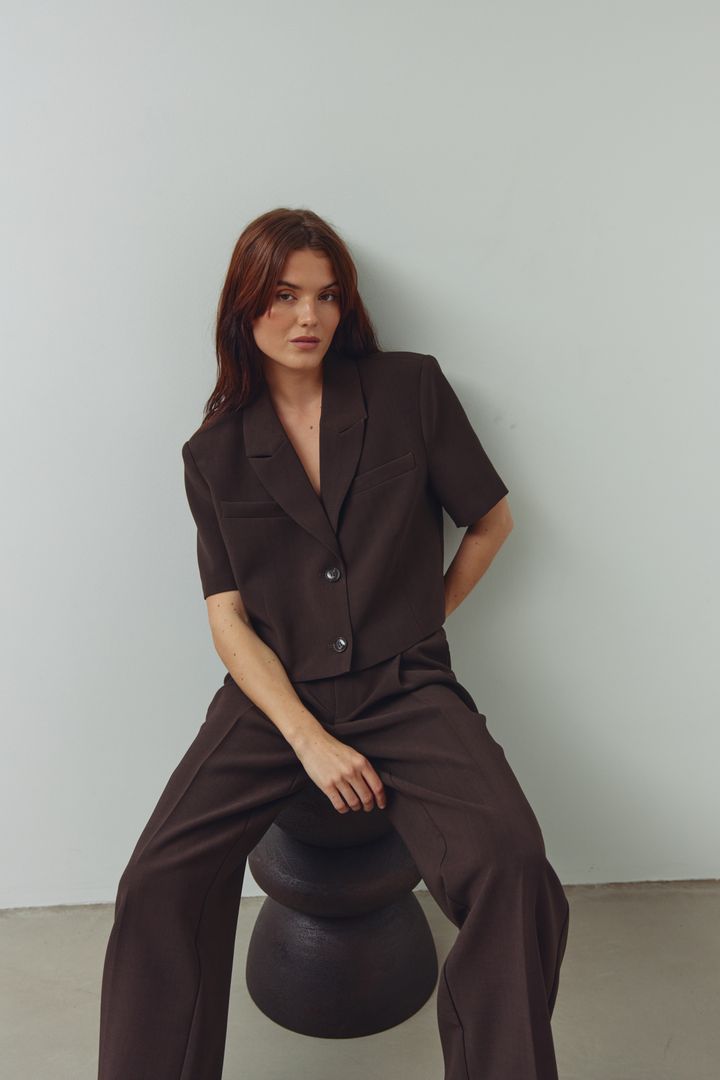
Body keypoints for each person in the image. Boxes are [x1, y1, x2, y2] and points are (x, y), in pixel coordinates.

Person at [97, 207, 570, 1080]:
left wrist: (421, 619)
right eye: (284, 295)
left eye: (325, 296)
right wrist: (308, 740)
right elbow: (228, 621)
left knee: (514, 864)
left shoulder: (409, 390)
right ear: (244, 306)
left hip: (405, 686)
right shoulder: (213, 453)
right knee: (156, 881)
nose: (307, 317)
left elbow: (491, 522)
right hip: (272, 700)